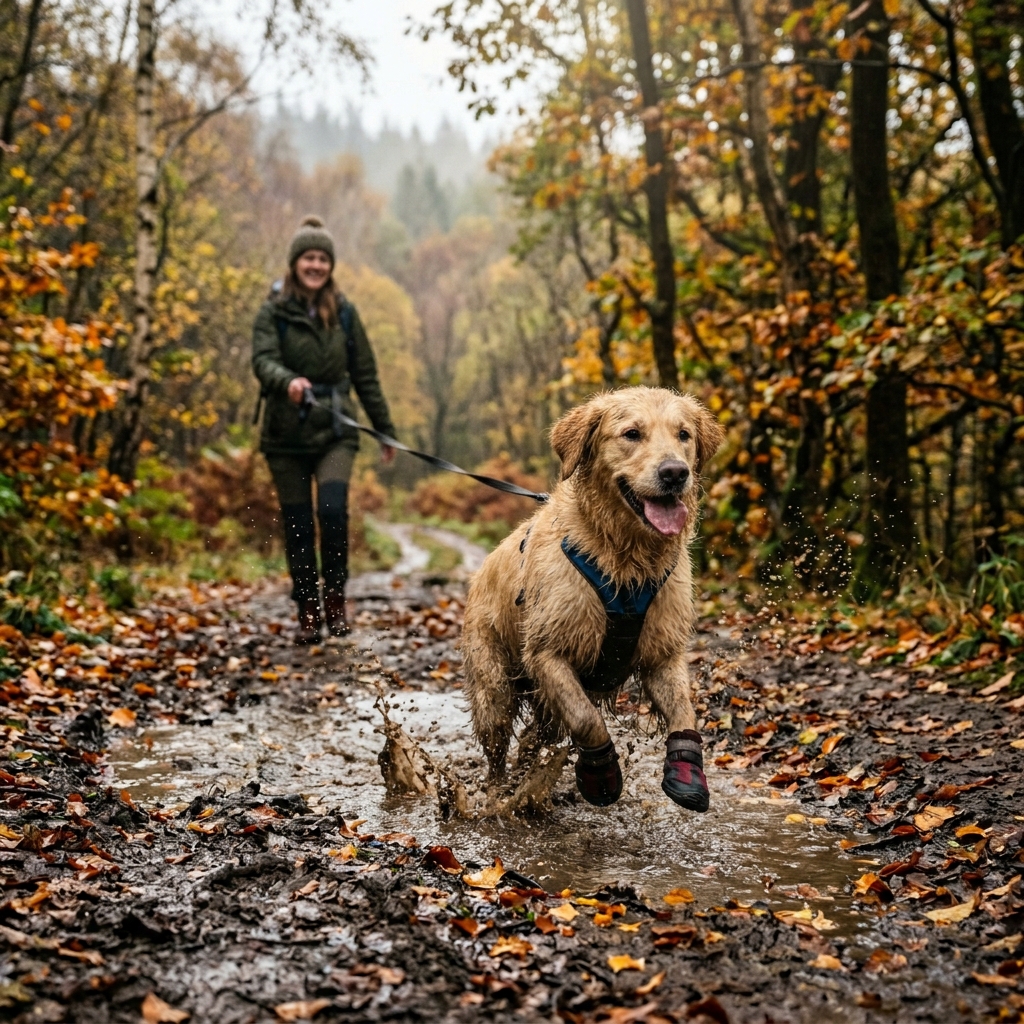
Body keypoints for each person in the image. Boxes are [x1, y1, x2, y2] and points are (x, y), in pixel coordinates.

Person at [252, 215, 396, 643]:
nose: (315, 265)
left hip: (335, 431)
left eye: (322, 259)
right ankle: (308, 610)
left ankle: (335, 598)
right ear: (295, 262)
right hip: (285, 436)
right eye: (308, 258)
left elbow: (366, 375)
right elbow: (262, 361)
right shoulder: (272, 312)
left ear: (330, 265)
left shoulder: (346, 313)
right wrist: (287, 382)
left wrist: (384, 430)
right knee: (297, 524)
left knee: (332, 513)